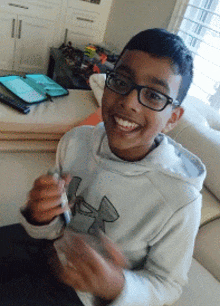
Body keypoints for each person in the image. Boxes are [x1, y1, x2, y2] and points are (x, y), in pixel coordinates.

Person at [1, 28, 206, 306]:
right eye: (121, 81)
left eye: (155, 96)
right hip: (47, 248)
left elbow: (168, 285)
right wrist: (40, 217)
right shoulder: (76, 141)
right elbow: (53, 227)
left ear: (172, 119)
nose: (129, 102)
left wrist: (117, 285)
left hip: (84, 296)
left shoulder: (181, 198)